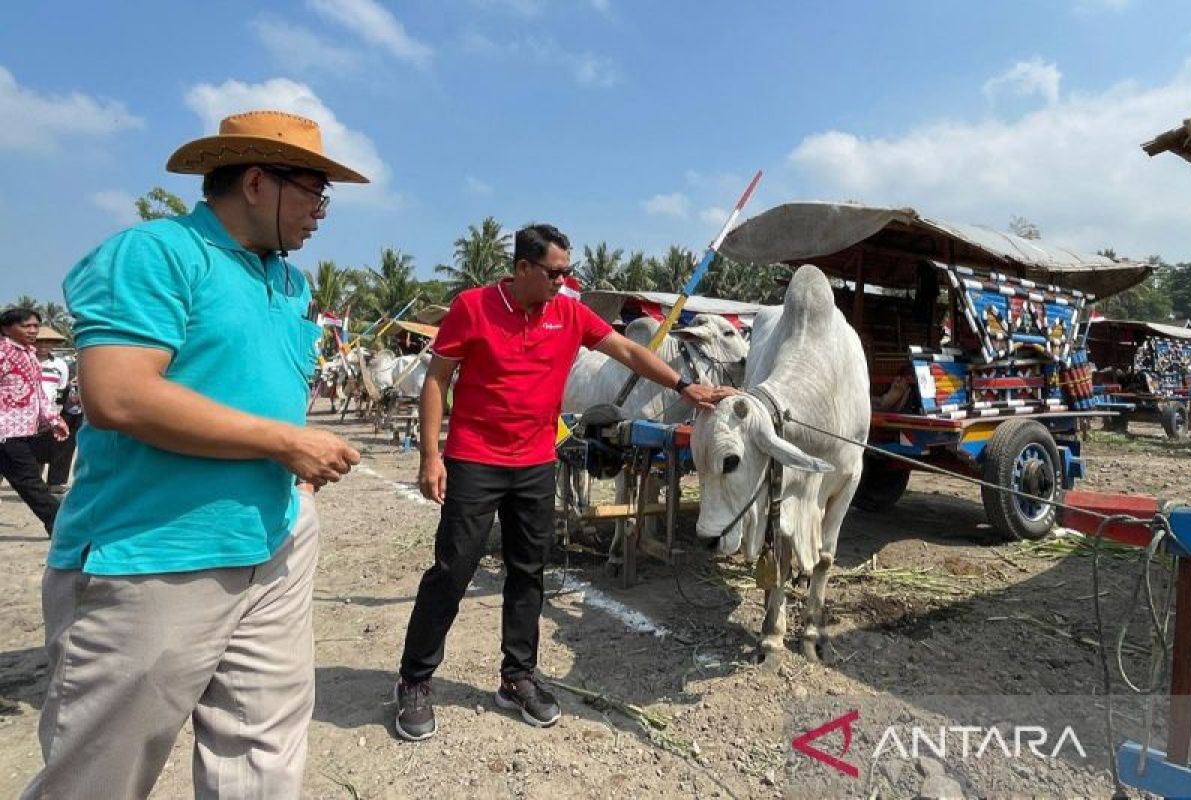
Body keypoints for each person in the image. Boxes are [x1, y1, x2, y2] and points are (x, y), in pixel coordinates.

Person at [23, 110, 367, 800]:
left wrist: (291, 479)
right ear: (257, 181)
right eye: (313, 191)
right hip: (157, 549)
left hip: (272, 537)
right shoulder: (156, 254)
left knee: (262, 751)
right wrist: (287, 442)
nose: (321, 212)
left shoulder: (290, 283)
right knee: (101, 771)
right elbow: (119, 396)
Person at [394, 223, 737, 741]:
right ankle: (415, 679)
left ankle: (517, 677)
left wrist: (686, 386)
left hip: (535, 462)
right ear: (523, 268)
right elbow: (438, 378)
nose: (564, 280)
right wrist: (429, 454)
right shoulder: (472, 307)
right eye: (556, 272)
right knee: (452, 570)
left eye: (568, 271)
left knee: (529, 572)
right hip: (475, 460)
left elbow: (628, 352)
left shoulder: (569, 312)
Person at [0, 308, 68, 535]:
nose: (32, 330)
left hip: (24, 430)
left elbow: (38, 393)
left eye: (35, 326)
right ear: (7, 328)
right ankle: (60, 524)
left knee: (29, 480)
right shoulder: (3, 353)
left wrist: (53, 418)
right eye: (26, 326)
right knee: (31, 482)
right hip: (6, 431)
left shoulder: (29, 355)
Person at [33, 327, 74, 493]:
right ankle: (32, 483)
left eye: (47, 341)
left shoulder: (60, 365)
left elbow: (61, 390)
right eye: (39, 341)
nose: (43, 345)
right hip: (25, 412)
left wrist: (56, 412)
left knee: (45, 447)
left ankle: (52, 483)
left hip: (49, 413)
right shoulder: (26, 360)